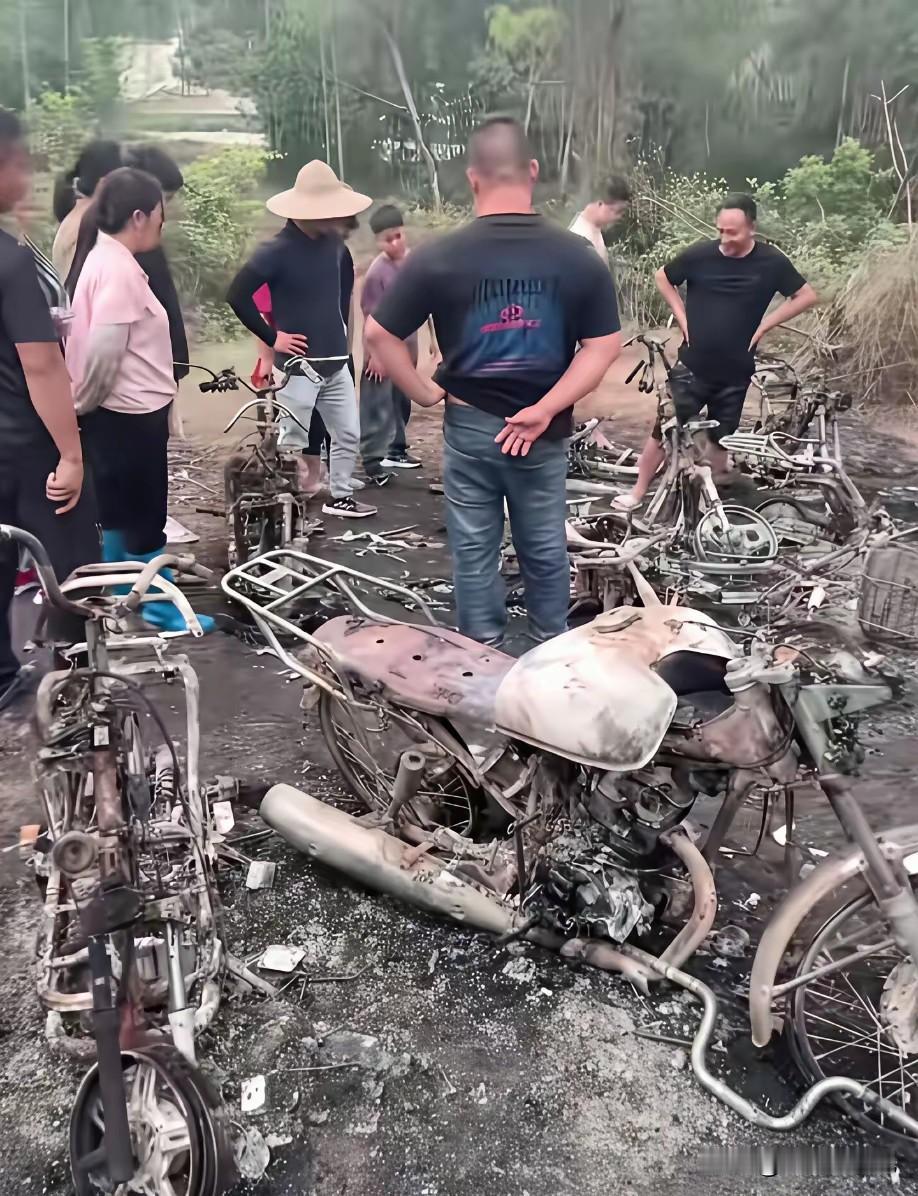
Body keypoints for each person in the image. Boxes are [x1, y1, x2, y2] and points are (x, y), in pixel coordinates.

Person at [365, 116, 622, 646]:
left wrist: (423, 392)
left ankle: (482, 654)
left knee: (475, 549)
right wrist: (547, 408)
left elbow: (378, 334)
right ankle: (551, 652)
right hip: (543, 432)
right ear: (532, 171)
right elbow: (603, 348)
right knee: (545, 546)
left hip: (471, 427)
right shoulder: (577, 256)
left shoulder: (437, 256)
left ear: (473, 177)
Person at [64, 167, 213, 634]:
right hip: (127, 416)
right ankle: (160, 609)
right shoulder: (119, 269)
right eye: (159, 214)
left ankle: (118, 600)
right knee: (145, 517)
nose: (162, 223)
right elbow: (105, 351)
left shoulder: (103, 258)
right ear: (139, 216)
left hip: (120, 414)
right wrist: (82, 406)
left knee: (118, 513)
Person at [616, 193, 818, 510]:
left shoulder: (771, 262)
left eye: (732, 232)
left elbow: (805, 295)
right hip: (693, 366)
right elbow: (662, 276)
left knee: (721, 437)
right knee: (664, 429)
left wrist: (765, 325)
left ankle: (708, 502)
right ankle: (638, 493)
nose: (724, 238)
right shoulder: (700, 256)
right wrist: (681, 318)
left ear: (751, 227)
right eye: (720, 230)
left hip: (736, 371)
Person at [0, 110, 98, 711]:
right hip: (26, 447)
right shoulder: (9, 259)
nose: (28, 172)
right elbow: (40, 364)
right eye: (18, 160)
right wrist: (71, 452)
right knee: (71, 568)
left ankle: (3, 676)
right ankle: (80, 683)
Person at [227, 160, 377, 519]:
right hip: (297, 366)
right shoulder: (275, 251)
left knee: (347, 434)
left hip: (335, 362)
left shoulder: (336, 248)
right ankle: (285, 503)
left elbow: (342, 298)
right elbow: (238, 295)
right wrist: (273, 338)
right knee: (291, 439)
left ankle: (340, 495)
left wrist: (341, 340)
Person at [55, 140, 190, 383]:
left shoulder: (80, 223)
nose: (162, 212)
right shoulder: (115, 244)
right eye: (161, 201)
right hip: (130, 381)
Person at [359, 203, 434, 478]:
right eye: (386, 239)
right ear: (377, 241)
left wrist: (433, 341)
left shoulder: (414, 264)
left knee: (402, 400)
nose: (394, 243)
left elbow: (427, 304)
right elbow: (369, 315)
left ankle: (396, 450)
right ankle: (372, 462)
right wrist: (375, 356)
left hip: (407, 346)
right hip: (381, 351)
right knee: (378, 406)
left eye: (397, 236)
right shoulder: (377, 273)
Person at [568, 175, 631, 262]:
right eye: (618, 211)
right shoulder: (580, 239)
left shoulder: (594, 228)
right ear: (600, 204)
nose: (619, 217)